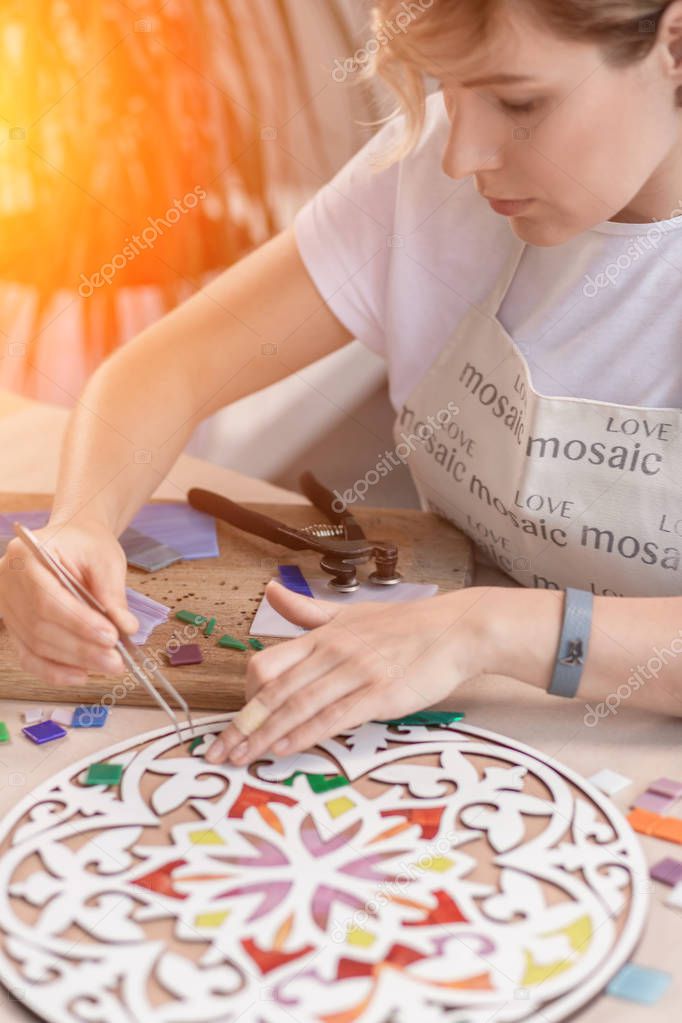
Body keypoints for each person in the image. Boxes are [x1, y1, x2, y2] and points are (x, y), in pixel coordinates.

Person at [2, 0, 682, 769]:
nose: (463, 154)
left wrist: (480, 628)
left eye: (520, 102)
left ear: (676, 45)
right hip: (464, 723)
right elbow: (167, 370)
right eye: (447, 88)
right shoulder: (428, 172)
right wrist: (81, 525)